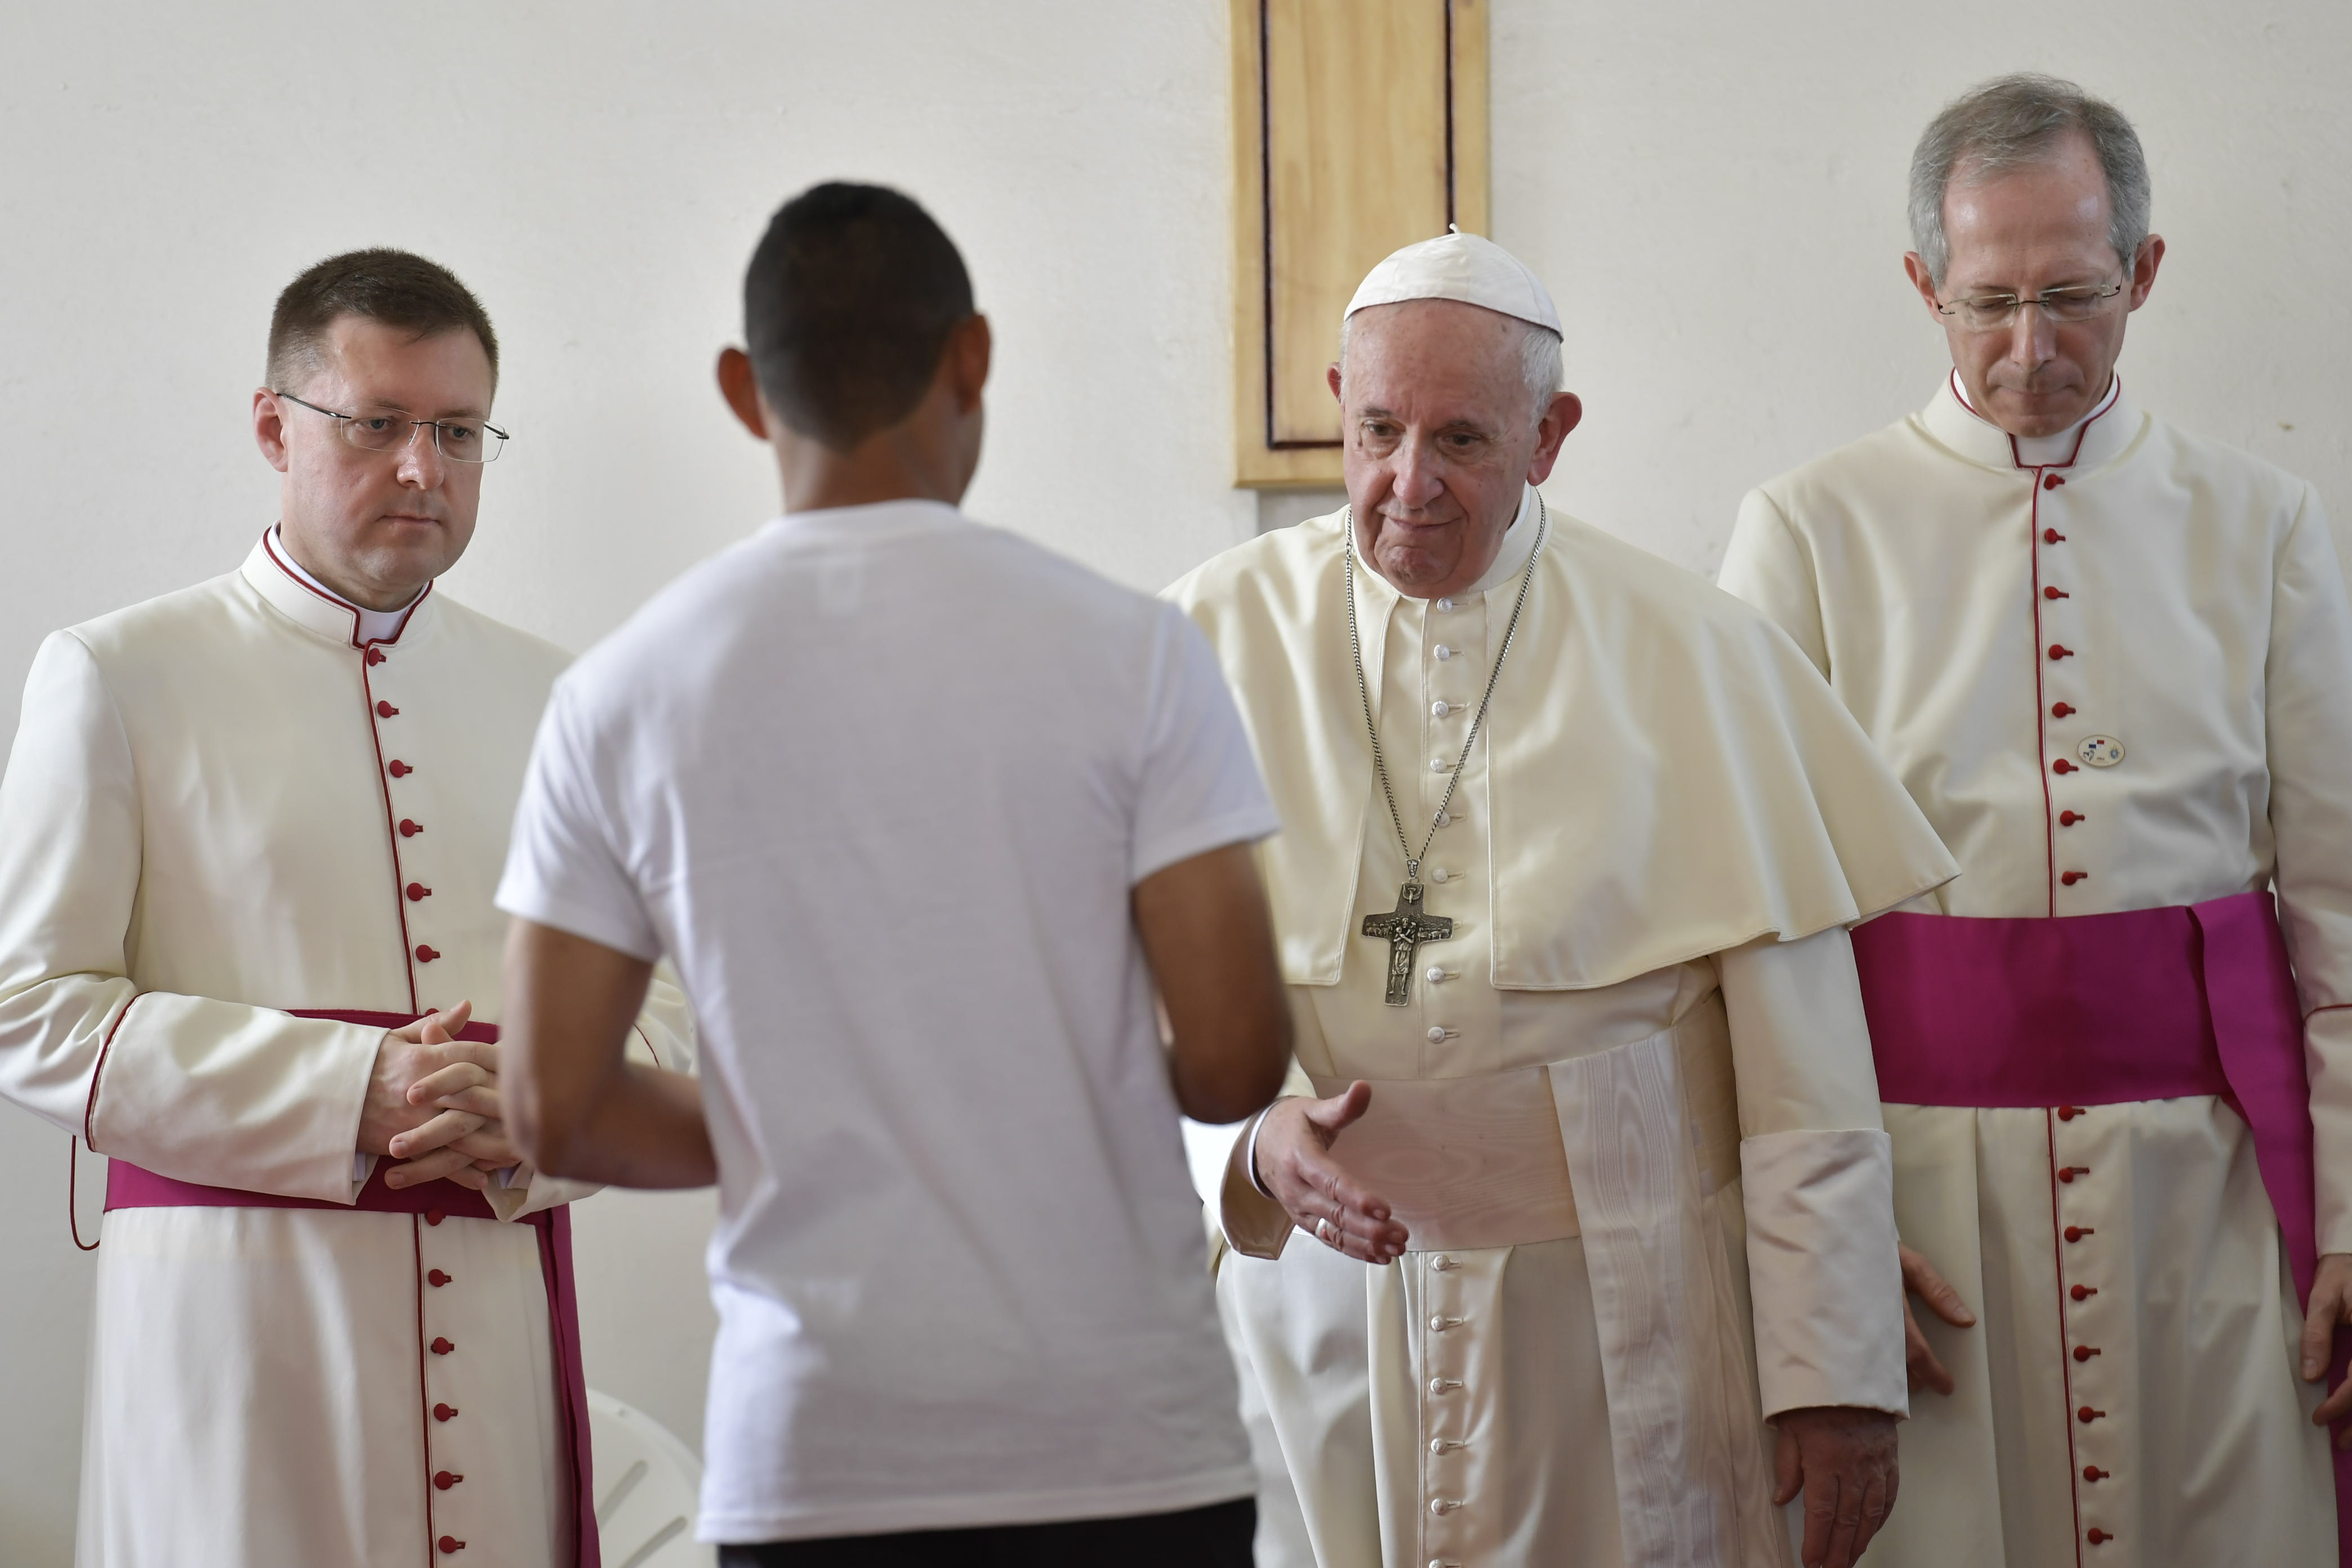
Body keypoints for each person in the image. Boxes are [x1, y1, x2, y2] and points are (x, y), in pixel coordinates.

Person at [492, 182, 1291, 1567]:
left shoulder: (622, 695)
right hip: (1121, 1441)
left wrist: (810, 1119)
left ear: (744, 391)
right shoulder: (1134, 655)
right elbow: (1232, 1062)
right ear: (971, 358)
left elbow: (551, 1108)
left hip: (815, 1455)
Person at [1166, 229, 1959, 1568]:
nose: (1409, 484)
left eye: (1462, 440)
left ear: (1550, 436)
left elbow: (1803, 1069)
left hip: (1621, 1315)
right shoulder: (1203, 638)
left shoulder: (1694, 651)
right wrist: (1247, 1143)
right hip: (1317, 1318)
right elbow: (1127, 1003)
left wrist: (1834, 1373)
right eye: (1377, 432)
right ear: (1336, 404)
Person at [1719, 72, 2352, 1565]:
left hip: (2207, 1193)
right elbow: (1755, 936)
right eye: (1986, 302)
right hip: (1922, 1198)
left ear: (2145, 271)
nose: (2029, 347)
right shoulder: (1805, 532)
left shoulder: (2262, 524)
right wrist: (1816, 1253)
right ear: (1922, 283)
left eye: (2073, 296)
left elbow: (2339, 910)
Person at [0, 249, 694, 1566]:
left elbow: (661, 1007)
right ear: (276, 426)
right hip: (234, 1341)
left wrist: (549, 1107)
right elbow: (26, 1009)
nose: (423, 468)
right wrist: (349, 1089)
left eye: (458, 431)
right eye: (378, 423)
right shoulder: (118, 673)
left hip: (492, 1326)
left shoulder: (565, 702)